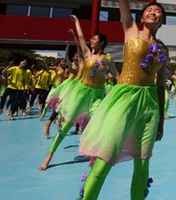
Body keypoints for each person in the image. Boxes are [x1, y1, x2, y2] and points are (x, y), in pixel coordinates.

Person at [78, 1, 168, 199]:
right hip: (124, 100)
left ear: (162, 20)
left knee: (143, 163)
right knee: (105, 158)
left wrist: (161, 120)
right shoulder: (132, 30)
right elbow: (123, 6)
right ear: (142, 17)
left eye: (158, 12)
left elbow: (161, 86)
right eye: (150, 10)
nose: (154, 13)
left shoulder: (163, 49)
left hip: (150, 105)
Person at [38, 14, 119, 171]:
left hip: (97, 96)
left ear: (101, 42)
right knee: (66, 127)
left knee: (99, 122)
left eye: (94, 39)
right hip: (81, 94)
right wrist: (77, 23)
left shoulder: (108, 58)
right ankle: (49, 155)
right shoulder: (87, 55)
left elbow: (117, 76)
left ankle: (96, 152)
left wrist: (123, 89)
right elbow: (81, 38)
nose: (91, 41)